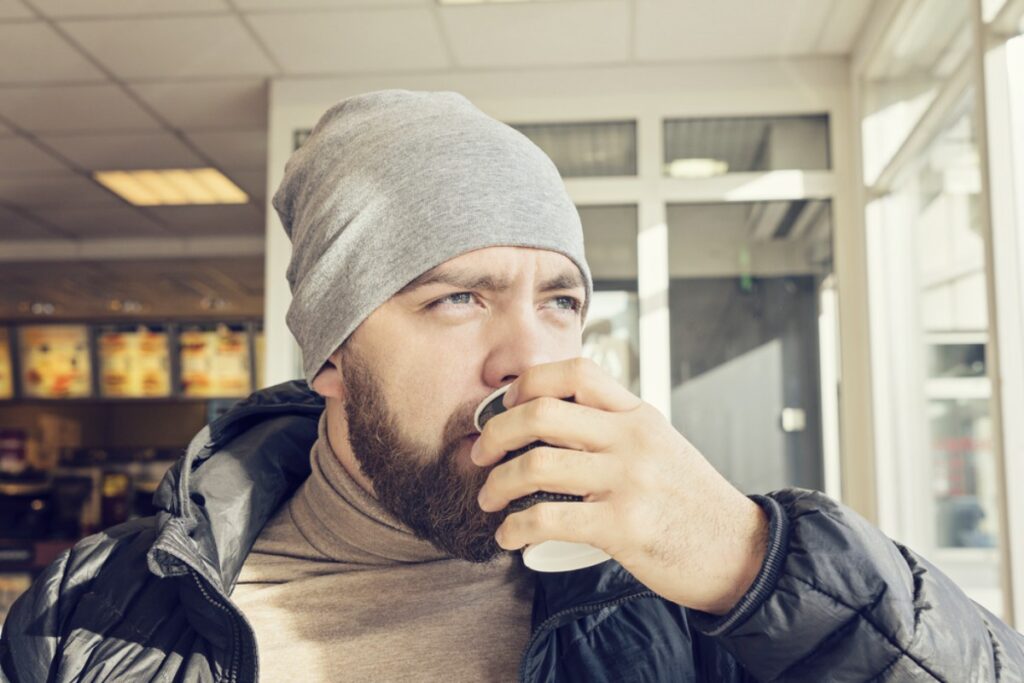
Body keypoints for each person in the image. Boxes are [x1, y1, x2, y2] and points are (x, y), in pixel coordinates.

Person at [2, 90, 1022, 683]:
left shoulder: (671, 601)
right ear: (331, 353)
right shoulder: (92, 611)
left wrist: (758, 559)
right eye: (458, 298)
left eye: (561, 300)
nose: (528, 358)